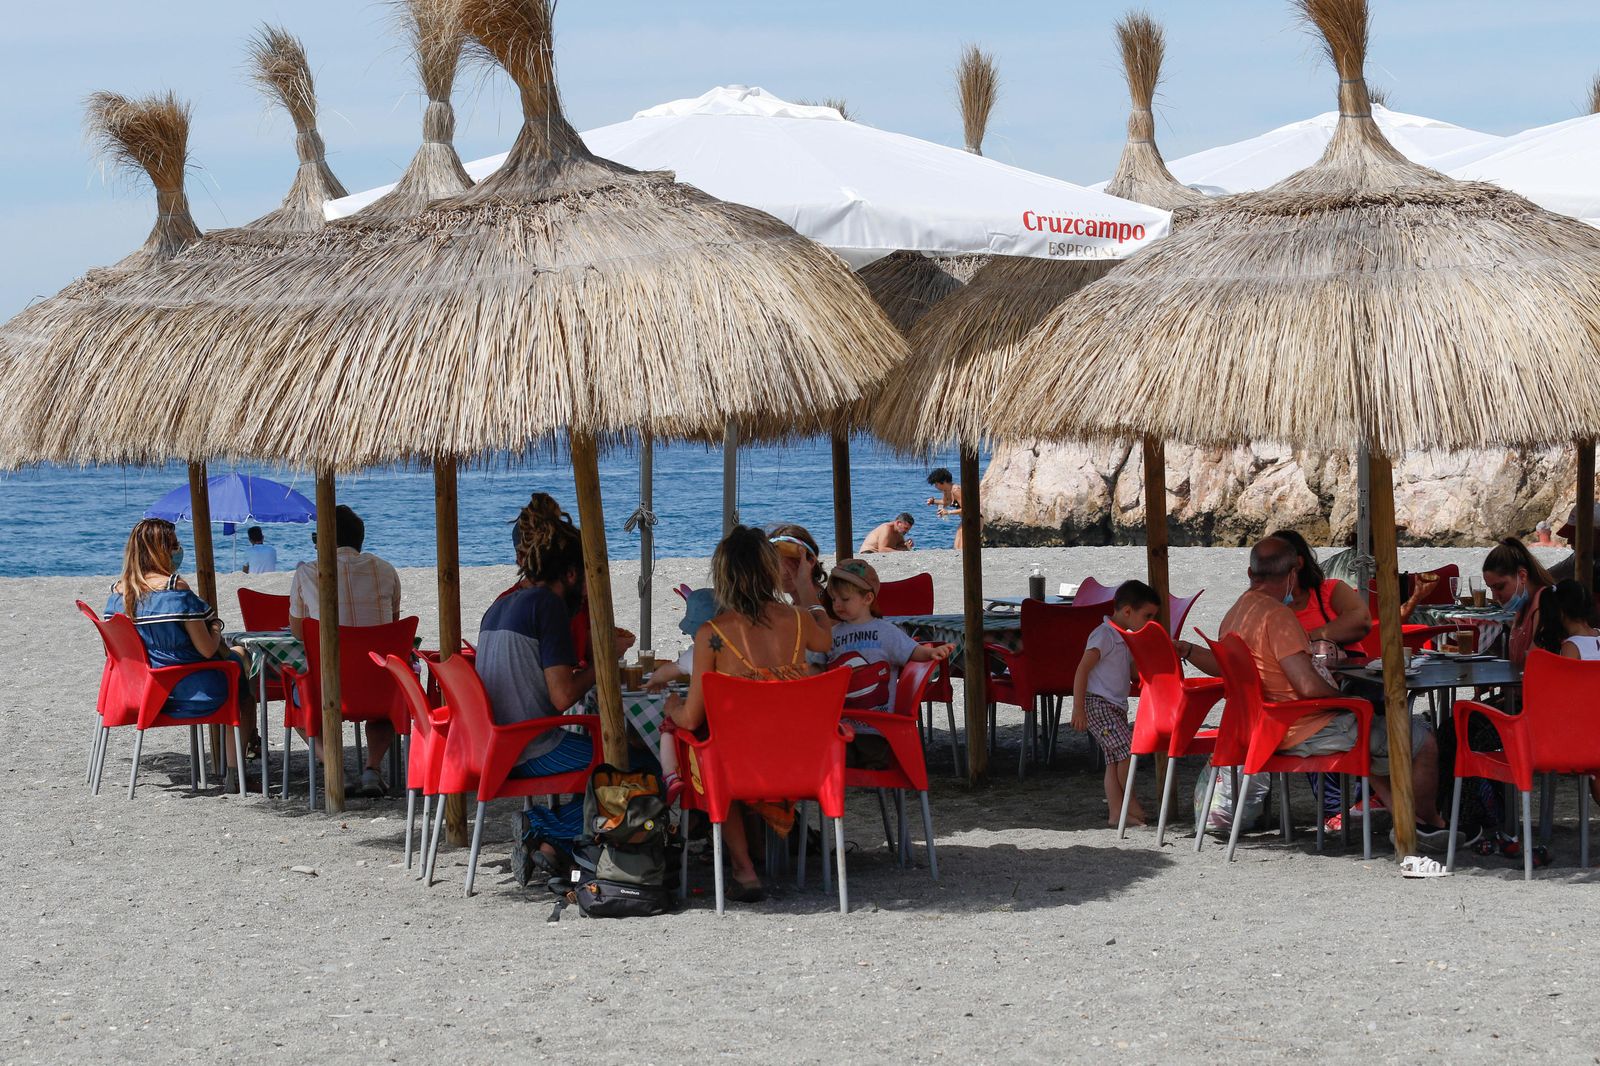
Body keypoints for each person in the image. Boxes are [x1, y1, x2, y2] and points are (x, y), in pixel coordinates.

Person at [1176, 536, 1457, 851]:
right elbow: (1308, 687)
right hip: (1303, 730)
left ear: (1250, 573)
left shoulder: (1235, 614)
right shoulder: (1279, 618)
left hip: (1262, 727)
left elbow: (1227, 669)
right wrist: (1347, 702)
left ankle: (1410, 822)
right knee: (1423, 740)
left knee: (1369, 730)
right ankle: (1430, 822)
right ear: (1293, 574)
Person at [667, 526, 832, 901]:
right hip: (799, 759)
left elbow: (691, 719)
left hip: (742, 767)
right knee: (731, 749)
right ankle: (761, 850)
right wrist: (807, 585)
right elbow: (826, 638)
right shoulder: (800, 620)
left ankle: (743, 866)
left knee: (708, 754)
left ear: (723, 576)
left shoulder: (711, 634)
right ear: (770, 571)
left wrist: (672, 708)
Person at [477, 494, 635, 838]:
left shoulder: (501, 606)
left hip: (496, 749)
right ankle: (541, 828)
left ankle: (554, 847)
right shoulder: (547, 605)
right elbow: (563, 696)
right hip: (529, 749)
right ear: (572, 572)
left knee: (617, 770)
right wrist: (606, 660)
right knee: (634, 769)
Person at [105, 519, 258, 790]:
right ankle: (235, 771)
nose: (179, 550)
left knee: (236, 666)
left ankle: (239, 759)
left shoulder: (117, 593)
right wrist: (213, 625)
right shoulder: (175, 589)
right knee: (240, 673)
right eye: (174, 545)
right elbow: (208, 649)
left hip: (139, 693)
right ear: (159, 551)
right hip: (192, 693)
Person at [287, 505, 402, 797]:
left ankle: (334, 766)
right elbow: (392, 625)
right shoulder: (387, 571)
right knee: (388, 689)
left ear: (325, 539)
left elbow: (300, 633)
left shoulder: (308, 573)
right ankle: (373, 768)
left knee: (295, 697)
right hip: (381, 688)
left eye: (316, 537)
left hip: (326, 689)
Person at [824, 558, 952, 768]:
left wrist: (930, 653)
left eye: (845, 599)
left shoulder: (885, 631)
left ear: (867, 598)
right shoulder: (833, 634)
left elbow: (910, 650)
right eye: (834, 599)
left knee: (874, 765)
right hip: (842, 725)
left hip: (877, 728)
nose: (837, 605)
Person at [1070, 580, 1162, 827]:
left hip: (1115, 706)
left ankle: (1116, 813)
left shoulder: (1124, 638)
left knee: (1113, 761)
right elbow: (1082, 669)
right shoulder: (1104, 635)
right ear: (1127, 611)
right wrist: (1078, 707)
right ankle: (1131, 803)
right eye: (1148, 616)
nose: (1151, 622)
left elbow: (1131, 671)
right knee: (1128, 753)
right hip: (1098, 704)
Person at [1271, 529, 1372, 661]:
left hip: (1349, 673)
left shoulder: (1330, 589)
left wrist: (1310, 638)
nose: (1270, 567)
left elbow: (1362, 620)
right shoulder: (1266, 606)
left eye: (1275, 559)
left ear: (1299, 563)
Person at [1482, 536, 1554, 669]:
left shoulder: (1545, 604)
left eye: (1500, 587)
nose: (1495, 596)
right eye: (1491, 588)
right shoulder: (1523, 605)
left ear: (1522, 576)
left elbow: (1535, 662)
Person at [769, 523, 832, 625]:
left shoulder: (833, 606)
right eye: (775, 562)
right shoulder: (795, 606)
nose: (784, 571)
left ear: (811, 561)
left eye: (792, 562)